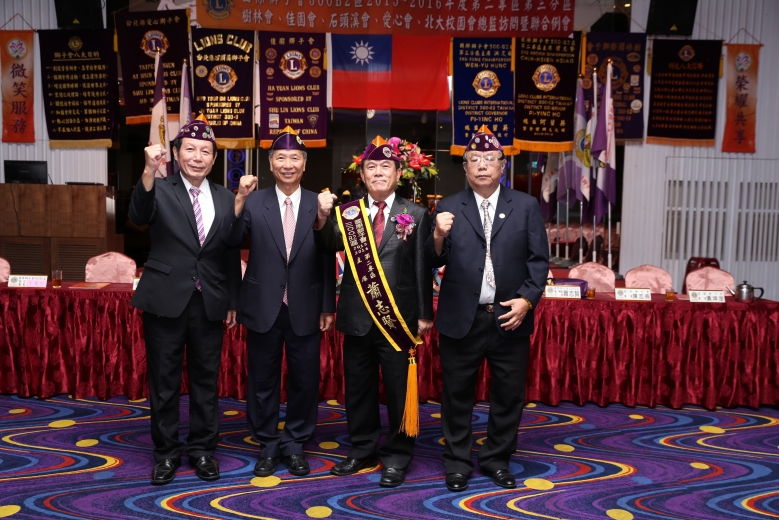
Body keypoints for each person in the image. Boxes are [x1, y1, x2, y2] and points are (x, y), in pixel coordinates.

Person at [424, 125, 548, 492]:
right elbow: (432, 260)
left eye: (490, 159)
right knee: (456, 396)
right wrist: (437, 234)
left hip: (510, 317)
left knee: (508, 395)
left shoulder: (525, 205)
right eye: (474, 159)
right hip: (462, 318)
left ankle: (497, 459)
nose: (482, 165)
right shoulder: (448, 206)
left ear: (502, 166)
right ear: (464, 167)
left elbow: (539, 261)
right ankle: (457, 462)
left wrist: (527, 300)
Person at [314, 136, 433, 488]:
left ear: (398, 173)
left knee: (398, 391)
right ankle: (363, 449)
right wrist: (322, 216)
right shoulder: (347, 213)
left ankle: (397, 456)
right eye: (371, 167)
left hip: (399, 319)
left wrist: (424, 313)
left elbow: (422, 268)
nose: (378, 172)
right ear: (362, 175)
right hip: (357, 317)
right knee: (359, 389)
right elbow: (327, 245)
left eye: (385, 166)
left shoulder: (417, 214)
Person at [129, 119, 241, 485]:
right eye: (190, 149)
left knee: (206, 382)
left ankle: (203, 450)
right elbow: (137, 216)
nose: (197, 157)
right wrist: (148, 170)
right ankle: (166, 454)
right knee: (164, 382)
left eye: (205, 151)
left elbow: (229, 253)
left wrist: (233, 300)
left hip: (209, 301)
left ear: (214, 159)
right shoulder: (159, 188)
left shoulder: (226, 197)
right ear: (176, 154)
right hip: (165, 299)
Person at [221, 126, 335, 478]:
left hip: (306, 305)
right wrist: (238, 200)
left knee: (304, 380)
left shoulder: (319, 202)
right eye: (281, 158)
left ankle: (295, 443)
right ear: (271, 164)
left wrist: (327, 305)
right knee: (263, 380)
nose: (288, 164)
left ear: (305, 163)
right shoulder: (254, 201)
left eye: (295, 158)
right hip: (262, 304)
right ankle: (268, 443)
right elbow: (230, 240)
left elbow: (327, 255)